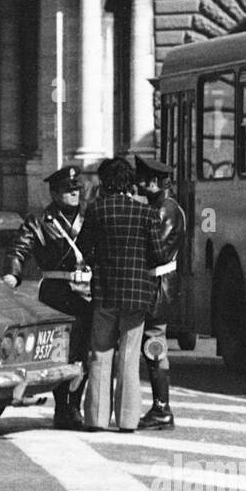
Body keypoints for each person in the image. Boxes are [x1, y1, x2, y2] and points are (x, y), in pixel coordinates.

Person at [3, 165, 93, 430]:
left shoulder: (91, 216)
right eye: (68, 190)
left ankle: (74, 406)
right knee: (57, 352)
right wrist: (12, 274)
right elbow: (18, 249)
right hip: (56, 294)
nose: (74, 194)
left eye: (77, 189)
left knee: (81, 352)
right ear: (54, 193)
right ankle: (62, 407)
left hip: (87, 294)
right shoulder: (39, 221)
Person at [80, 156, 167, 433]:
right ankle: (128, 420)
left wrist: (98, 262)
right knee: (129, 357)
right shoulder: (146, 213)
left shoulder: (96, 210)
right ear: (130, 183)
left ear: (105, 183)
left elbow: (83, 247)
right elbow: (159, 255)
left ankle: (95, 418)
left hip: (104, 292)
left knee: (100, 354)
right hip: (136, 294)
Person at [134, 156, 187, 431]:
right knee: (153, 344)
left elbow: (160, 253)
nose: (138, 185)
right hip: (160, 285)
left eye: (142, 180)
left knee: (154, 345)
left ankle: (162, 409)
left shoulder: (165, 211)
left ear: (154, 182)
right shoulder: (162, 207)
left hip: (159, 285)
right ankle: (160, 408)